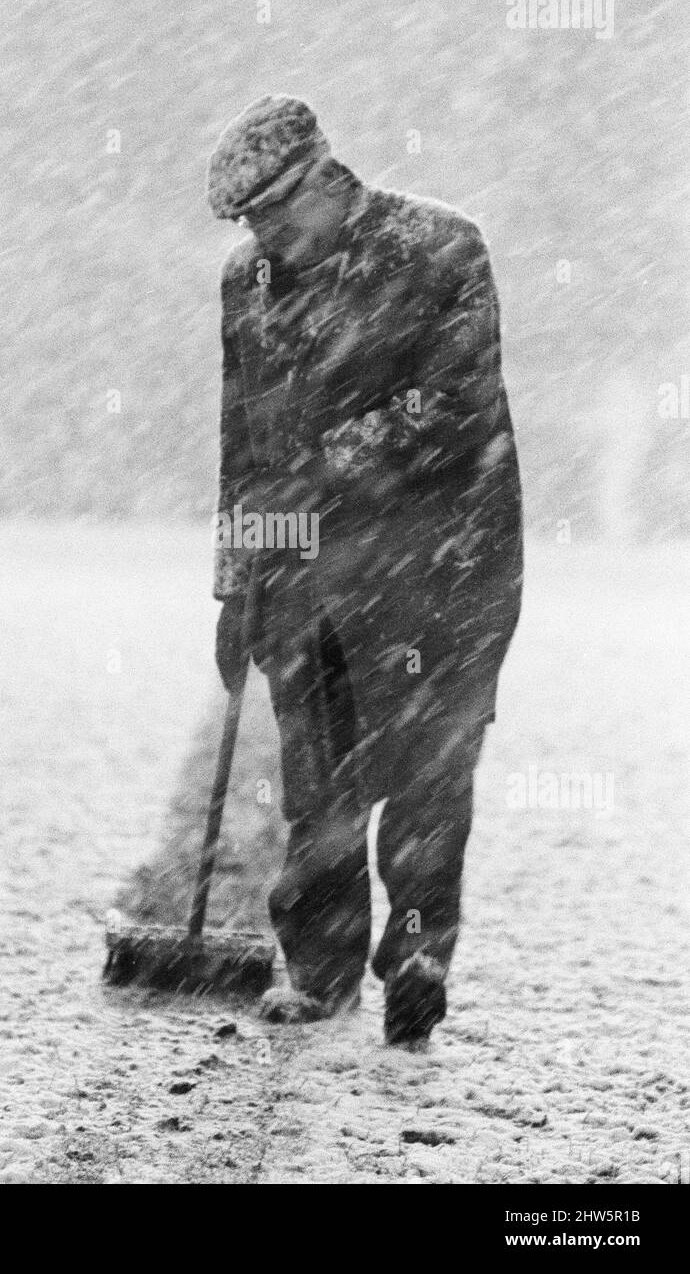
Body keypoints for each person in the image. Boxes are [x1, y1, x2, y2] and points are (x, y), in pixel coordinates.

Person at [208, 95, 523, 1045]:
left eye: (271, 213)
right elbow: (242, 441)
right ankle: (319, 971)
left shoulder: (441, 248)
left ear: (325, 180)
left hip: (447, 560)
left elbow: (457, 403)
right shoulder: (247, 282)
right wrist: (232, 581)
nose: (262, 236)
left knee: (430, 772)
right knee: (317, 777)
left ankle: (419, 955)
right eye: (248, 222)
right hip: (304, 570)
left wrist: (318, 471)